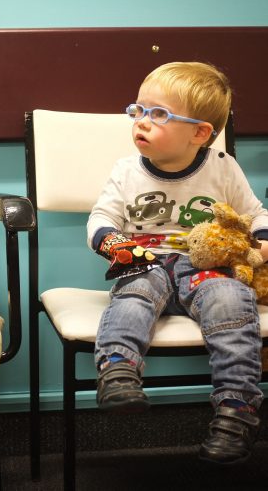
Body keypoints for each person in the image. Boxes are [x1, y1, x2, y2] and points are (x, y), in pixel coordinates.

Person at [87, 61, 268, 465]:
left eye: (158, 114)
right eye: (138, 110)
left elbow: (255, 213)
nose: (141, 122)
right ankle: (118, 370)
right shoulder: (126, 170)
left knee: (231, 299)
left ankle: (237, 409)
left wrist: (262, 240)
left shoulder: (222, 167)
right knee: (133, 296)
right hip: (145, 263)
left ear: (199, 133)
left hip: (204, 267)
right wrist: (111, 241)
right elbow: (101, 217)